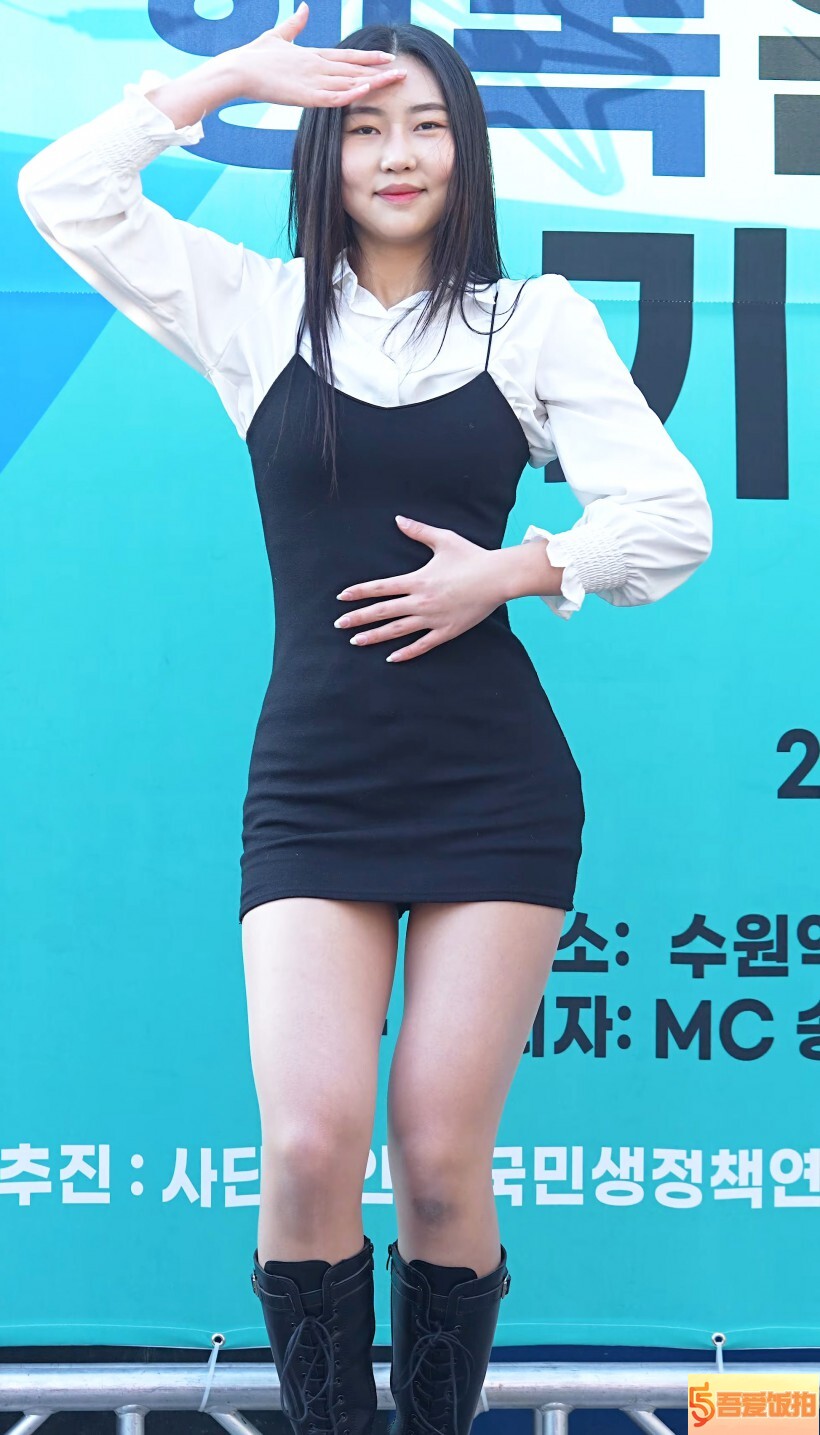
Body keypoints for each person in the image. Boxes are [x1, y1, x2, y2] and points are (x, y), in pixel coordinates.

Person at [18, 11, 712, 1435]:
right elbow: (63, 192)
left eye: (430, 126)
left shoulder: (532, 321)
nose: (400, 155)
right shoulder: (256, 310)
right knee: (309, 1142)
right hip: (318, 779)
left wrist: (514, 570)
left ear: (469, 153)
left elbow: (671, 518)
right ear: (323, 155)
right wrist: (225, 80)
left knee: (442, 1162)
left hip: (492, 782)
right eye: (367, 128)